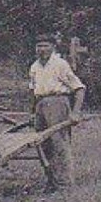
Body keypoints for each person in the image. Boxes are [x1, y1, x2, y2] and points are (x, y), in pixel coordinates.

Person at [28, 32, 85, 192]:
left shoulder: (60, 64)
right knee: (42, 144)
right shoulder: (34, 67)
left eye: (45, 46)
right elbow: (32, 91)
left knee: (59, 143)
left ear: (53, 47)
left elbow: (79, 89)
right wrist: (32, 113)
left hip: (58, 102)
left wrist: (75, 112)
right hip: (40, 103)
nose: (42, 49)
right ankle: (51, 181)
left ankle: (65, 183)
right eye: (39, 46)